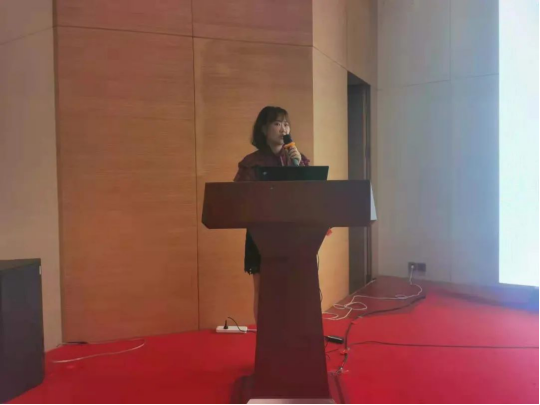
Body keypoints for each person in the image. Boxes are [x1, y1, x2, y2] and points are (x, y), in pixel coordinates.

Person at [234, 106, 310, 321]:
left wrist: (297, 166)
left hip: (293, 232)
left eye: (286, 124)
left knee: (292, 289)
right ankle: (264, 338)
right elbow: (239, 197)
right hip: (262, 232)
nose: (283, 129)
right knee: (263, 290)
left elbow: (309, 195)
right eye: (277, 124)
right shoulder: (251, 162)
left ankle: (290, 334)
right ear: (264, 129)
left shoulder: (299, 160)